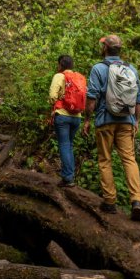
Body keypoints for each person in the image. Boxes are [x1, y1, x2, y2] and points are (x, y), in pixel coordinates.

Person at [83, 35, 140, 221]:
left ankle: (110, 202)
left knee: (105, 160)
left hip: (105, 121)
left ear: (105, 49)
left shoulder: (98, 69)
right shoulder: (131, 69)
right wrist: (136, 121)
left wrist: (87, 119)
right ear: (120, 50)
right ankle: (136, 200)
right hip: (126, 120)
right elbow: (139, 99)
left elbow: (92, 98)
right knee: (129, 160)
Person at [49, 55, 84, 187]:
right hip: (77, 117)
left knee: (64, 145)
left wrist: (56, 101)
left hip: (63, 116)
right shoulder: (78, 77)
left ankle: (68, 178)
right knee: (69, 145)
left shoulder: (59, 76)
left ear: (60, 65)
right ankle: (69, 176)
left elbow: (52, 96)